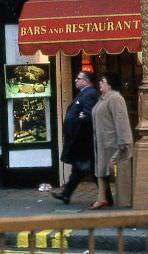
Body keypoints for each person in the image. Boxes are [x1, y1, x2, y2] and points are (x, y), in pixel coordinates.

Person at [53, 70, 99, 205]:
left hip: (83, 140)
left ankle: (106, 196)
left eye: (78, 78)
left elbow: (87, 115)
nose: (75, 80)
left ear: (86, 81)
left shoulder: (89, 94)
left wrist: (80, 119)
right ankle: (66, 194)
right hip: (79, 139)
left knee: (90, 169)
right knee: (79, 169)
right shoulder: (83, 93)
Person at [91, 71, 133, 210]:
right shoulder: (102, 98)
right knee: (101, 171)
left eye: (102, 81)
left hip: (114, 143)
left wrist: (123, 141)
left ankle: (125, 200)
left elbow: (121, 121)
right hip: (103, 142)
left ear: (110, 84)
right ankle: (101, 198)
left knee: (118, 173)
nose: (100, 83)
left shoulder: (115, 98)